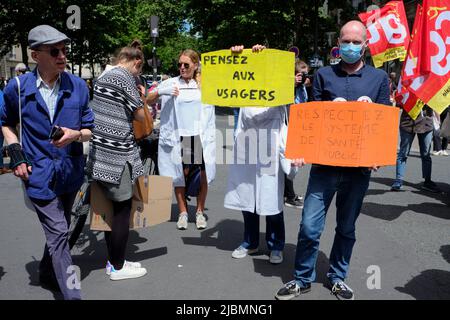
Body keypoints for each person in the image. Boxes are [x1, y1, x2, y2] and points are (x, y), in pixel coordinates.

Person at [275, 20, 391, 300]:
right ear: (338, 43)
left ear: (365, 44)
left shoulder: (379, 79)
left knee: (347, 227)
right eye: (346, 41)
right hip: (324, 168)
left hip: (358, 170)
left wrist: (378, 154)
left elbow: (383, 123)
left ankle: (338, 277)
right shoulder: (324, 75)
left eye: (356, 41)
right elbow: (310, 119)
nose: (350, 46)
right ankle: (302, 278)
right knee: (309, 226)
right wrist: (303, 148)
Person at [1, 25, 94, 300]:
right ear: (35, 55)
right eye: (54, 51)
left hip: (69, 172)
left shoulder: (78, 86)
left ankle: (46, 269)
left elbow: (90, 128)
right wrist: (16, 153)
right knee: (59, 233)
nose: (62, 56)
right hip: (38, 174)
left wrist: (76, 134)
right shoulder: (16, 88)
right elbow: (5, 122)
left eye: (64, 50)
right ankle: (73, 294)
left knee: (60, 229)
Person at [224, 44, 299, 265]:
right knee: (248, 197)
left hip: (269, 148)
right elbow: (225, 83)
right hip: (248, 148)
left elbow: (288, 86)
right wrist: (237, 56)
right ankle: (250, 241)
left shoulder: (279, 88)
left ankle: (276, 245)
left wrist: (266, 54)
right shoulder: (243, 87)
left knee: (271, 198)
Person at [86, 40, 148, 281]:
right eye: (139, 70)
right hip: (117, 153)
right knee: (122, 210)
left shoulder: (103, 76)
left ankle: (114, 261)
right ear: (136, 62)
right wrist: (142, 96)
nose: (137, 74)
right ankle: (118, 266)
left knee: (109, 211)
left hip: (99, 152)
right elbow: (141, 116)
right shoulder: (124, 77)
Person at [147, 49, 216, 230]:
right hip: (179, 137)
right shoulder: (170, 83)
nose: (182, 68)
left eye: (186, 64)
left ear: (195, 65)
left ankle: (199, 212)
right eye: (180, 65)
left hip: (198, 136)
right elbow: (147, 99)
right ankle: (183, 212)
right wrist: (162, 90)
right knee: (180, 176)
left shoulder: (205, 84)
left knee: (203, 176)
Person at [391, 105, 441, 192]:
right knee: (403, 153)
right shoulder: (406, 90)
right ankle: (398, 180)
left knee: (426, 155)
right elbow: (399, 104)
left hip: (426, 124)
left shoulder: (429, 91)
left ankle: (427, 181)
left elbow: (436, 102)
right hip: (408, 123)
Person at [284, 59, 311, 209]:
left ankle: (287, 192)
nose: (303, 77)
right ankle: (289, 195)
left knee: (293, 163)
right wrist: (291, 84)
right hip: (288, 126)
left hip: (298, 126)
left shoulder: (302, 88)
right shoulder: (287, 87)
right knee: (290, 163)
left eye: (305, 74)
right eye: (299, 74)